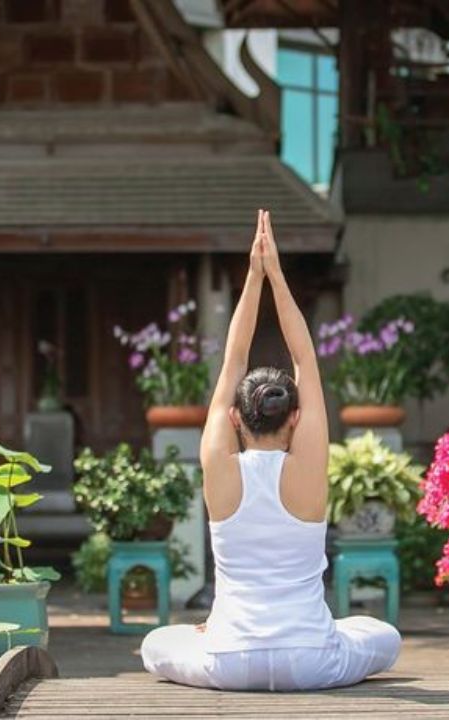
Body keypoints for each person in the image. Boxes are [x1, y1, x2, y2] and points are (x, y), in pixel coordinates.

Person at [140, 210, 401, 691]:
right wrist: (277, 276)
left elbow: (233, 360)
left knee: (156, 643)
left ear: (235, 418)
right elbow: (304, 358)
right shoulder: (307, 468)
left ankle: (214, 631)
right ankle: (324, 633)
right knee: (383, 634)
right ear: (295, 418)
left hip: (229, 661)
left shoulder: (219, 466)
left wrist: (253, 276)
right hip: (312, 662)